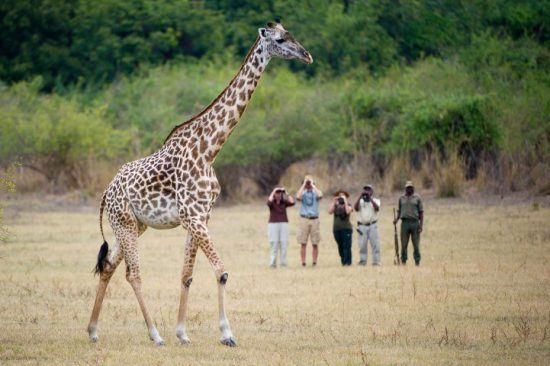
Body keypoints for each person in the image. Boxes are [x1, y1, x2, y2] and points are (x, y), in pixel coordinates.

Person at [393, 181, 424, 266]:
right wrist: (396, 219)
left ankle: (417, 262)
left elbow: (421, 213)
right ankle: (403, 261)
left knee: (416, 244)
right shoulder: (401, 198)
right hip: (405, 223)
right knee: (403, 244)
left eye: (411, 187)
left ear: (413, 188)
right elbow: (399, 211)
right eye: (407, 187)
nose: (409, 189)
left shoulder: (417, 198)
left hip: (415, 223)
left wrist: (421, 225)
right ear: (405, 189)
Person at [296, 175, 323, 266]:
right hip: (304, 218)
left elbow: (320, 195)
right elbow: (298, 196)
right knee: (303, 242)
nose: (308, 185)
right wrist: (304, 184)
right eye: (307, 183)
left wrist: (313, 185)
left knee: (315, 242)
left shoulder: (316, 192)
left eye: (309, 183)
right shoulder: (302, 193)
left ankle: (314, 262)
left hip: (314, 219)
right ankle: (303, 262)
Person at [267, 187, 295, 268]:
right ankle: (272, 264)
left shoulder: (284, 202)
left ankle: (283, 263)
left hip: (283, 224)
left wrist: (286, 193)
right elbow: (268, 202)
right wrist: (273, 191)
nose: (278, 194)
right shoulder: (272, 203)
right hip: (273, 225)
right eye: (277, 193)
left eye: (280, 193)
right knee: (274, 243)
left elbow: (292, 202)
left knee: (284, 243)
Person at [354, 184, 381, 266]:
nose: (367, 191)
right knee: (362, 245)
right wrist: (360, 196)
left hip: (372, 225)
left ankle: (376, 262)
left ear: (372, 191)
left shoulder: (376, 200)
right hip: (362, 226)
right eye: (365, 190)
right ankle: (362, 261)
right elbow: (355, 208)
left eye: (368, 190)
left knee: (375, 244)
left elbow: (377, 208)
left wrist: (370, 199)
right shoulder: (361, 201)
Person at [328, 190, 353, 266]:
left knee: (347, 246)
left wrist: (345, 201)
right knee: (340, 246)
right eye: (340, 196)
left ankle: (347, 262)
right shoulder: (335, 206)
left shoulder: (349, 205)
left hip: (346, 228)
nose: (341, 197)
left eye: (343, 195)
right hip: (336, 229)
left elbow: (348, 211)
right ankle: (343, 261)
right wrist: (334, 202)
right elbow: (329, 211)